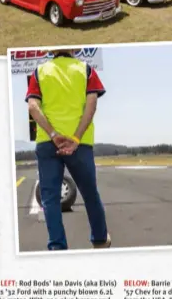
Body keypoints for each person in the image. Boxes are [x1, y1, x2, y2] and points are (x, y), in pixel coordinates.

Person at [27, 51, 111, 250]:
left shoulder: (39, 72)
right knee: (90, 193)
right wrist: (75, 138)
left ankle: (57, 246)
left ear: (51, 51)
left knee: (50, 199)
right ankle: (99, 239)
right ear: (73, 51)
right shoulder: (86, 70)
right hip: (79, 144)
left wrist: (54, 134)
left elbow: (33, 106)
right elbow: (91, 105)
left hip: (48, 142)